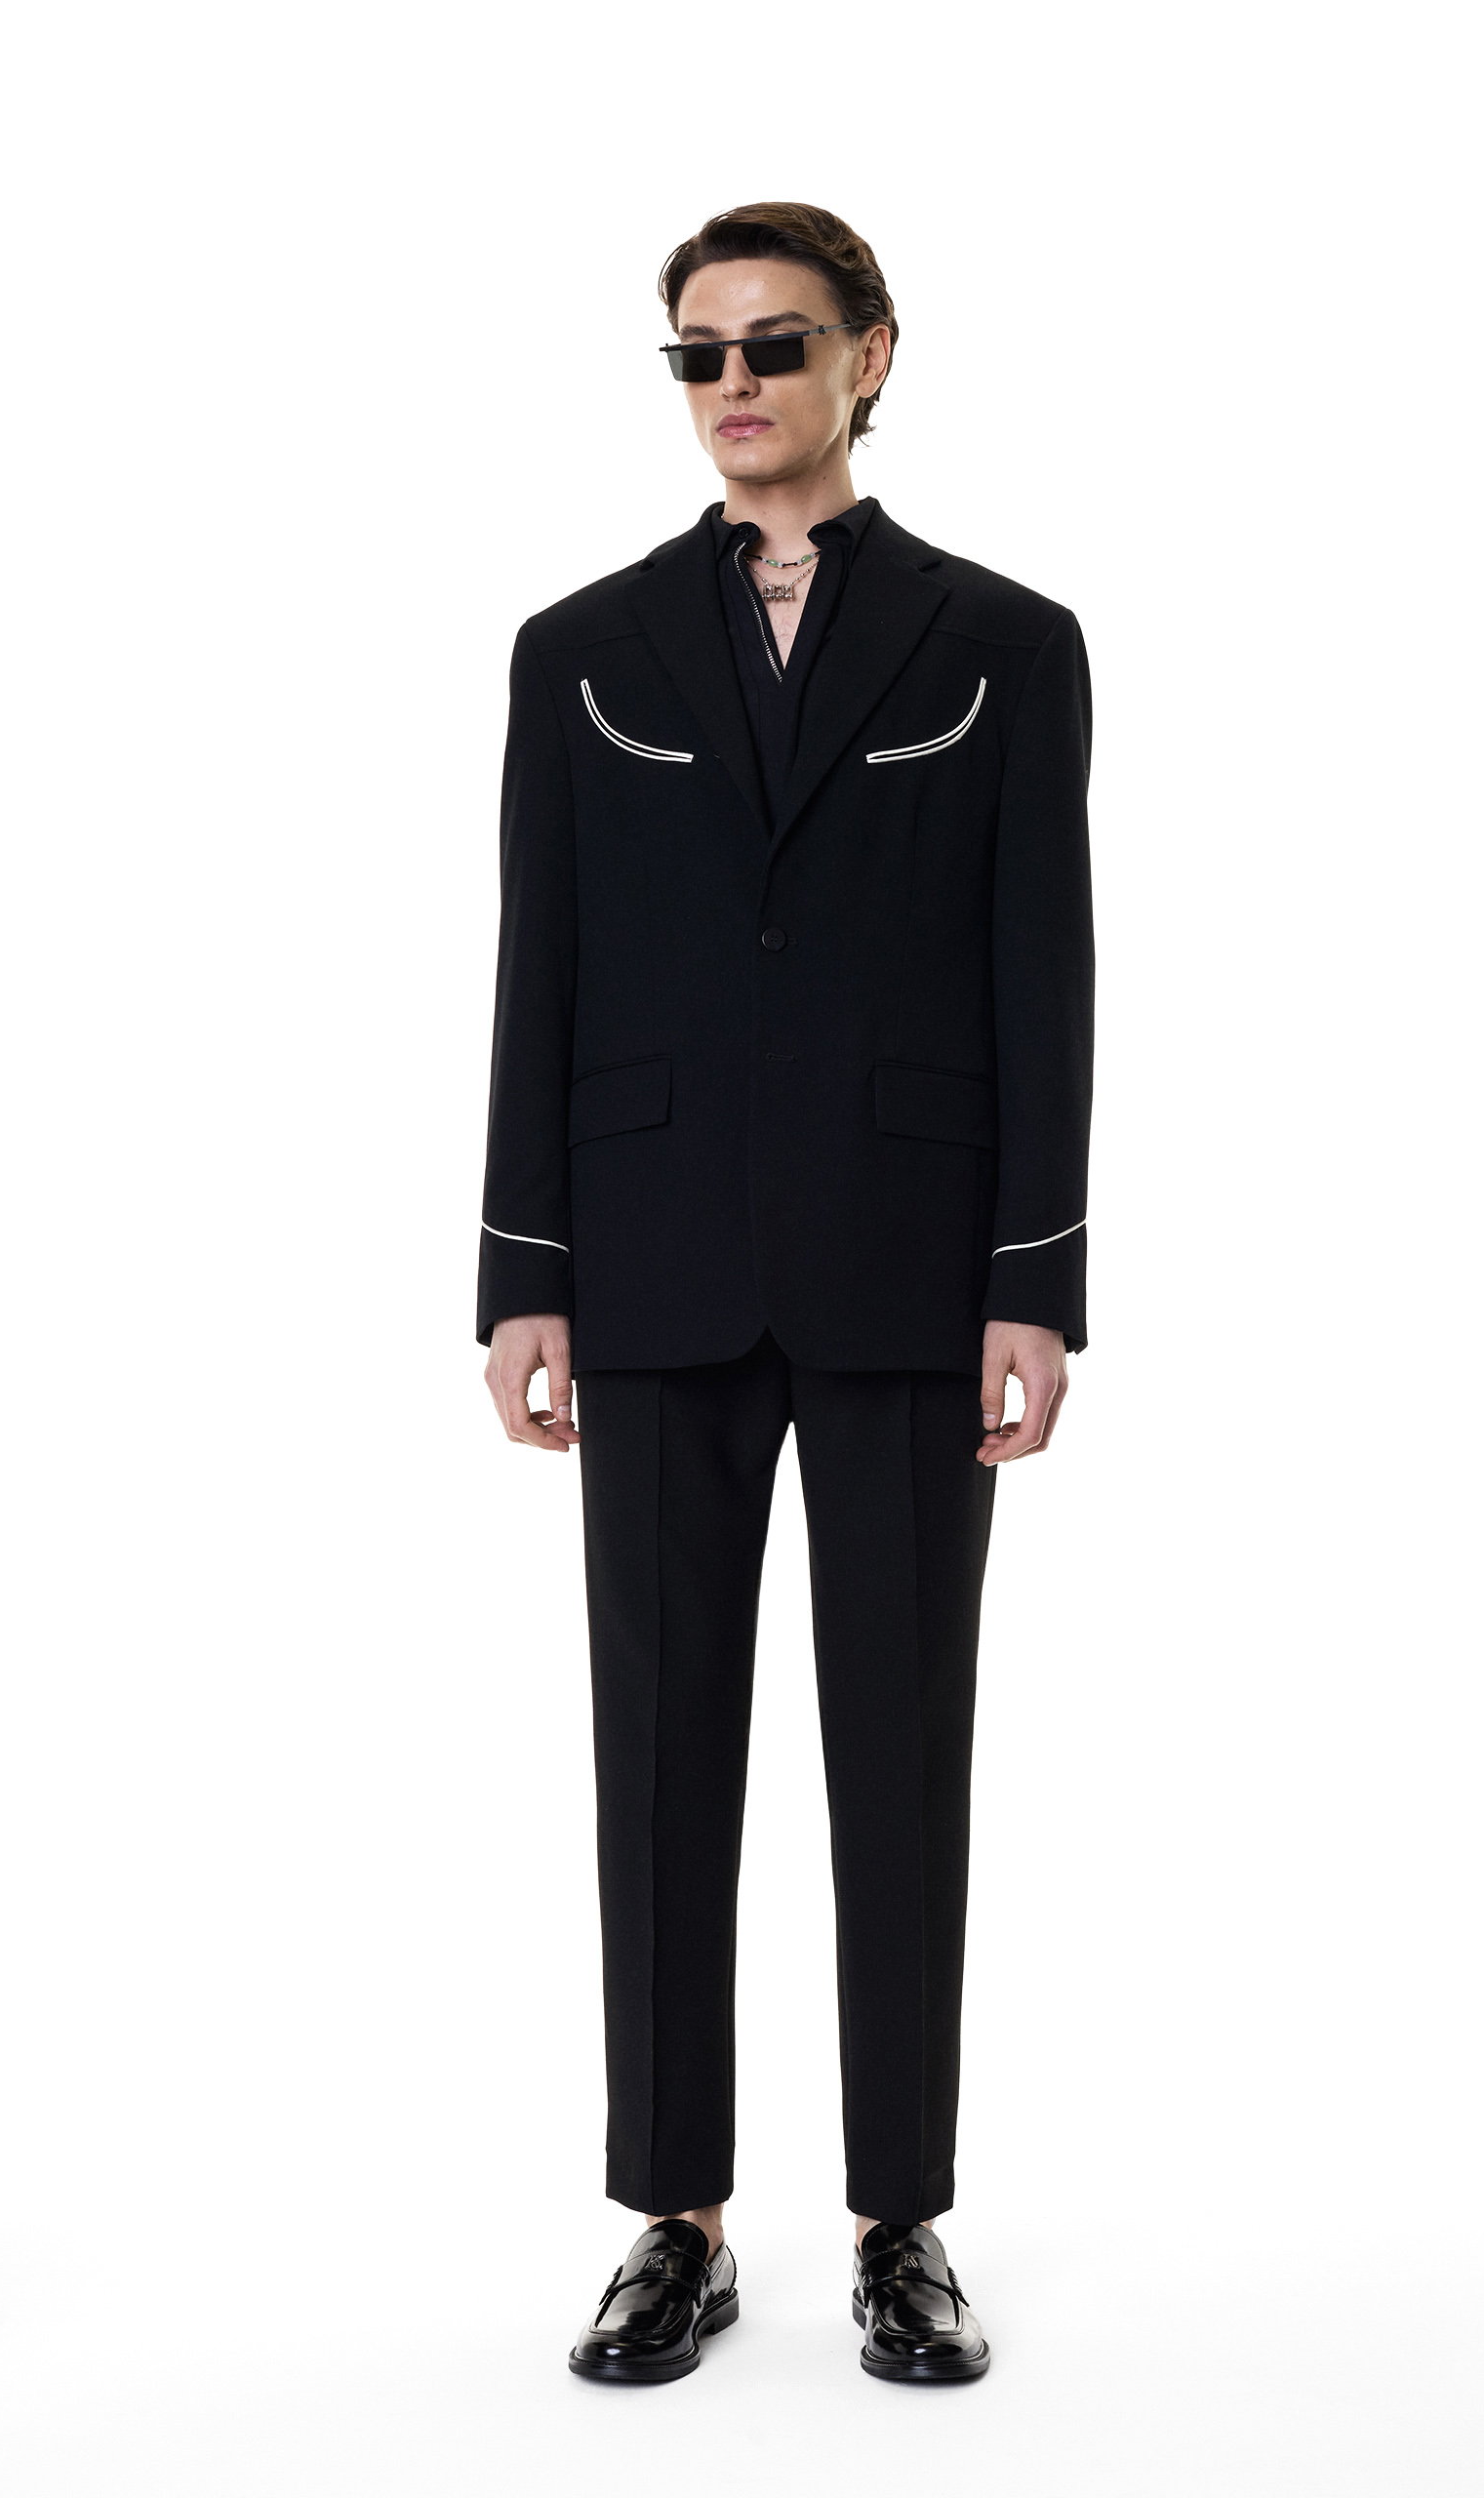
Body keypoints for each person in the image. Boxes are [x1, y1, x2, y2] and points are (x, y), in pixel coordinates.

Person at [478, 201, 1093, 2385]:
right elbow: (540, 963)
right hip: (644, 1261)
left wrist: (1036, 1278)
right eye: (699, 353)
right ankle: (677, 2218)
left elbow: (1043, 969)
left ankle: (901, 2219)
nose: (733, 383)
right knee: (659, 1755)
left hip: (912, 1262)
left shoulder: (1006, 643)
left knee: (900, 1747)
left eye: (774, 344)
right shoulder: (577, 650)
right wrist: (522, 1270)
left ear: (869, 357)